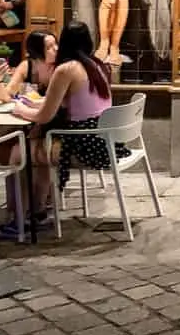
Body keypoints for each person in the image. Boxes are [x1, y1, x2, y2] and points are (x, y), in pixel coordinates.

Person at [10, 20, 130, 213]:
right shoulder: (97, 64)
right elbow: (71, 102)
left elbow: (44, 117)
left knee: (18, 152)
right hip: (107, 140)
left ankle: (20, 218)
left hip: (84, 145)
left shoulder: (66, 69)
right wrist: (36, 103)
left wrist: (20, 109)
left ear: (64, 42)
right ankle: (38, 209)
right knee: (37, 143)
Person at [0, 31, 58, 236]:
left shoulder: (60, 70)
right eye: (49, 47)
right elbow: (6, 96)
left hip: (48, 126)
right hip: (30, 120)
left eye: (55, 45)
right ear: (37, 51)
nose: (55, 49)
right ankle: (21, 209)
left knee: (20, 153)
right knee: (5, 144)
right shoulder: (27, 67)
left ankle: (31, 210)